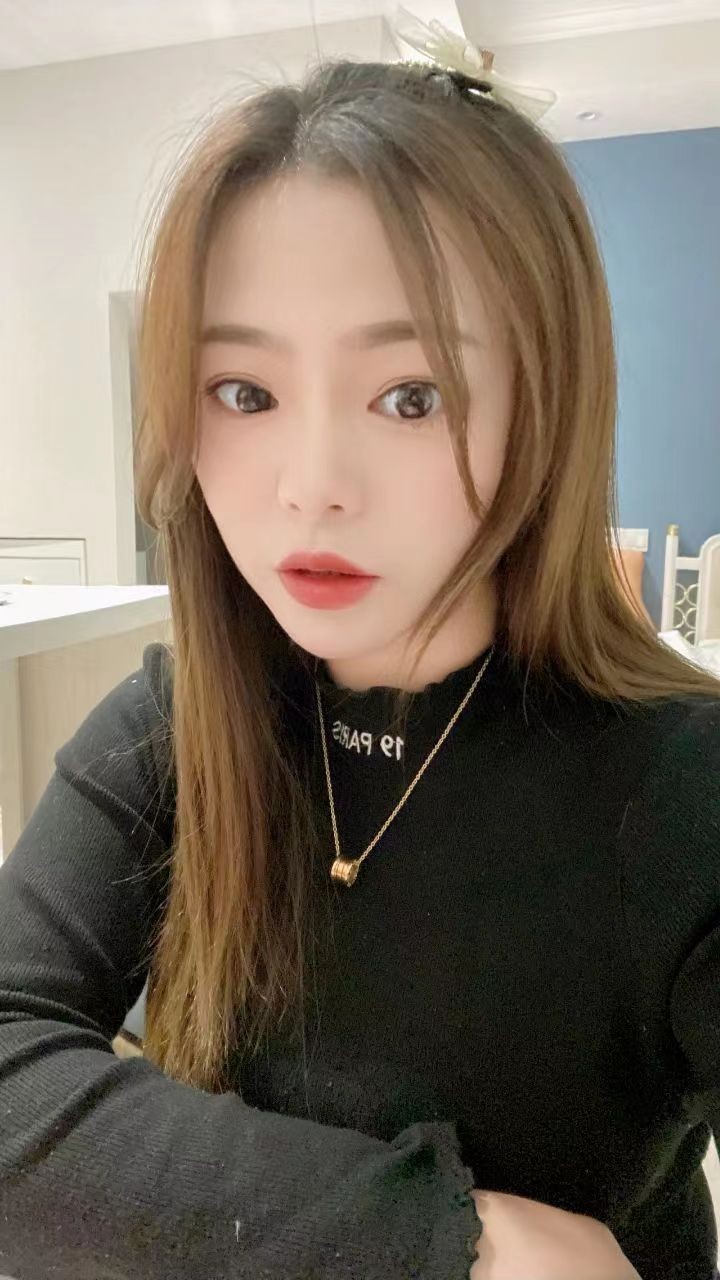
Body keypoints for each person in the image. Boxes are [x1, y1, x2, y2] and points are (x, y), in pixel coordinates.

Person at [1, 43, 719, 1280]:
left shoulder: (682, 784)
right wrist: (446, 1241)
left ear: (545, 405)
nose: (311, 486)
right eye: (243, 391)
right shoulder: (175, 724)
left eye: (410, 395)